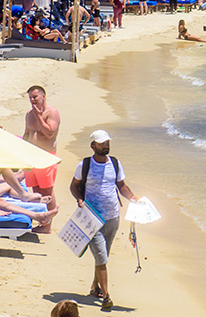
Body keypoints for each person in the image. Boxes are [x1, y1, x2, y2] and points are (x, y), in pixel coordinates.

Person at [69, 130, 138, 311]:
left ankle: (95, 287)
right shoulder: (85, 165)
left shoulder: (115, 163)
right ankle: (106, 296)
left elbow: (121, 186)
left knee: (103, 256)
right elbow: (74, 186)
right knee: (101, 256)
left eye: (106, 142)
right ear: (93, 146)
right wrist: (79, 199)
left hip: (113, 216)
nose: (105, 146)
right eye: (101, 143)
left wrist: (133, 198)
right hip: (92, 217)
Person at [23, 85, 60, 233]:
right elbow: (26, 134)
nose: (32, 100)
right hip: (31, 156)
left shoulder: (52, 113)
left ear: (43, 96)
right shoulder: (29, 114)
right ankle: (40, 220)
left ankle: (48, 226)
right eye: (30, 98)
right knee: (36, 190)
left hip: (46, 156)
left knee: (47, 191)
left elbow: (50, 133)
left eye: (35, 97)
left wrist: (39, 116)